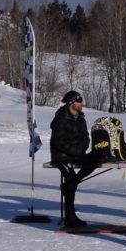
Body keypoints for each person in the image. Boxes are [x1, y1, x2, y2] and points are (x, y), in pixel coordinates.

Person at [50, 90, 98, 228]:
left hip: (76, 154)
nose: (81, 104)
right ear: (71, 102)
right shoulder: (60, 118)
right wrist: (75, 151)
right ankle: (70, 217)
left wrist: (81, 149)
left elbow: (85, 138)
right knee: (70, 179)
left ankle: (70, 184)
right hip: (61, 156)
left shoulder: (81, 118)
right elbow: (60, 142)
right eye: (79, 101)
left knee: (95, 159)